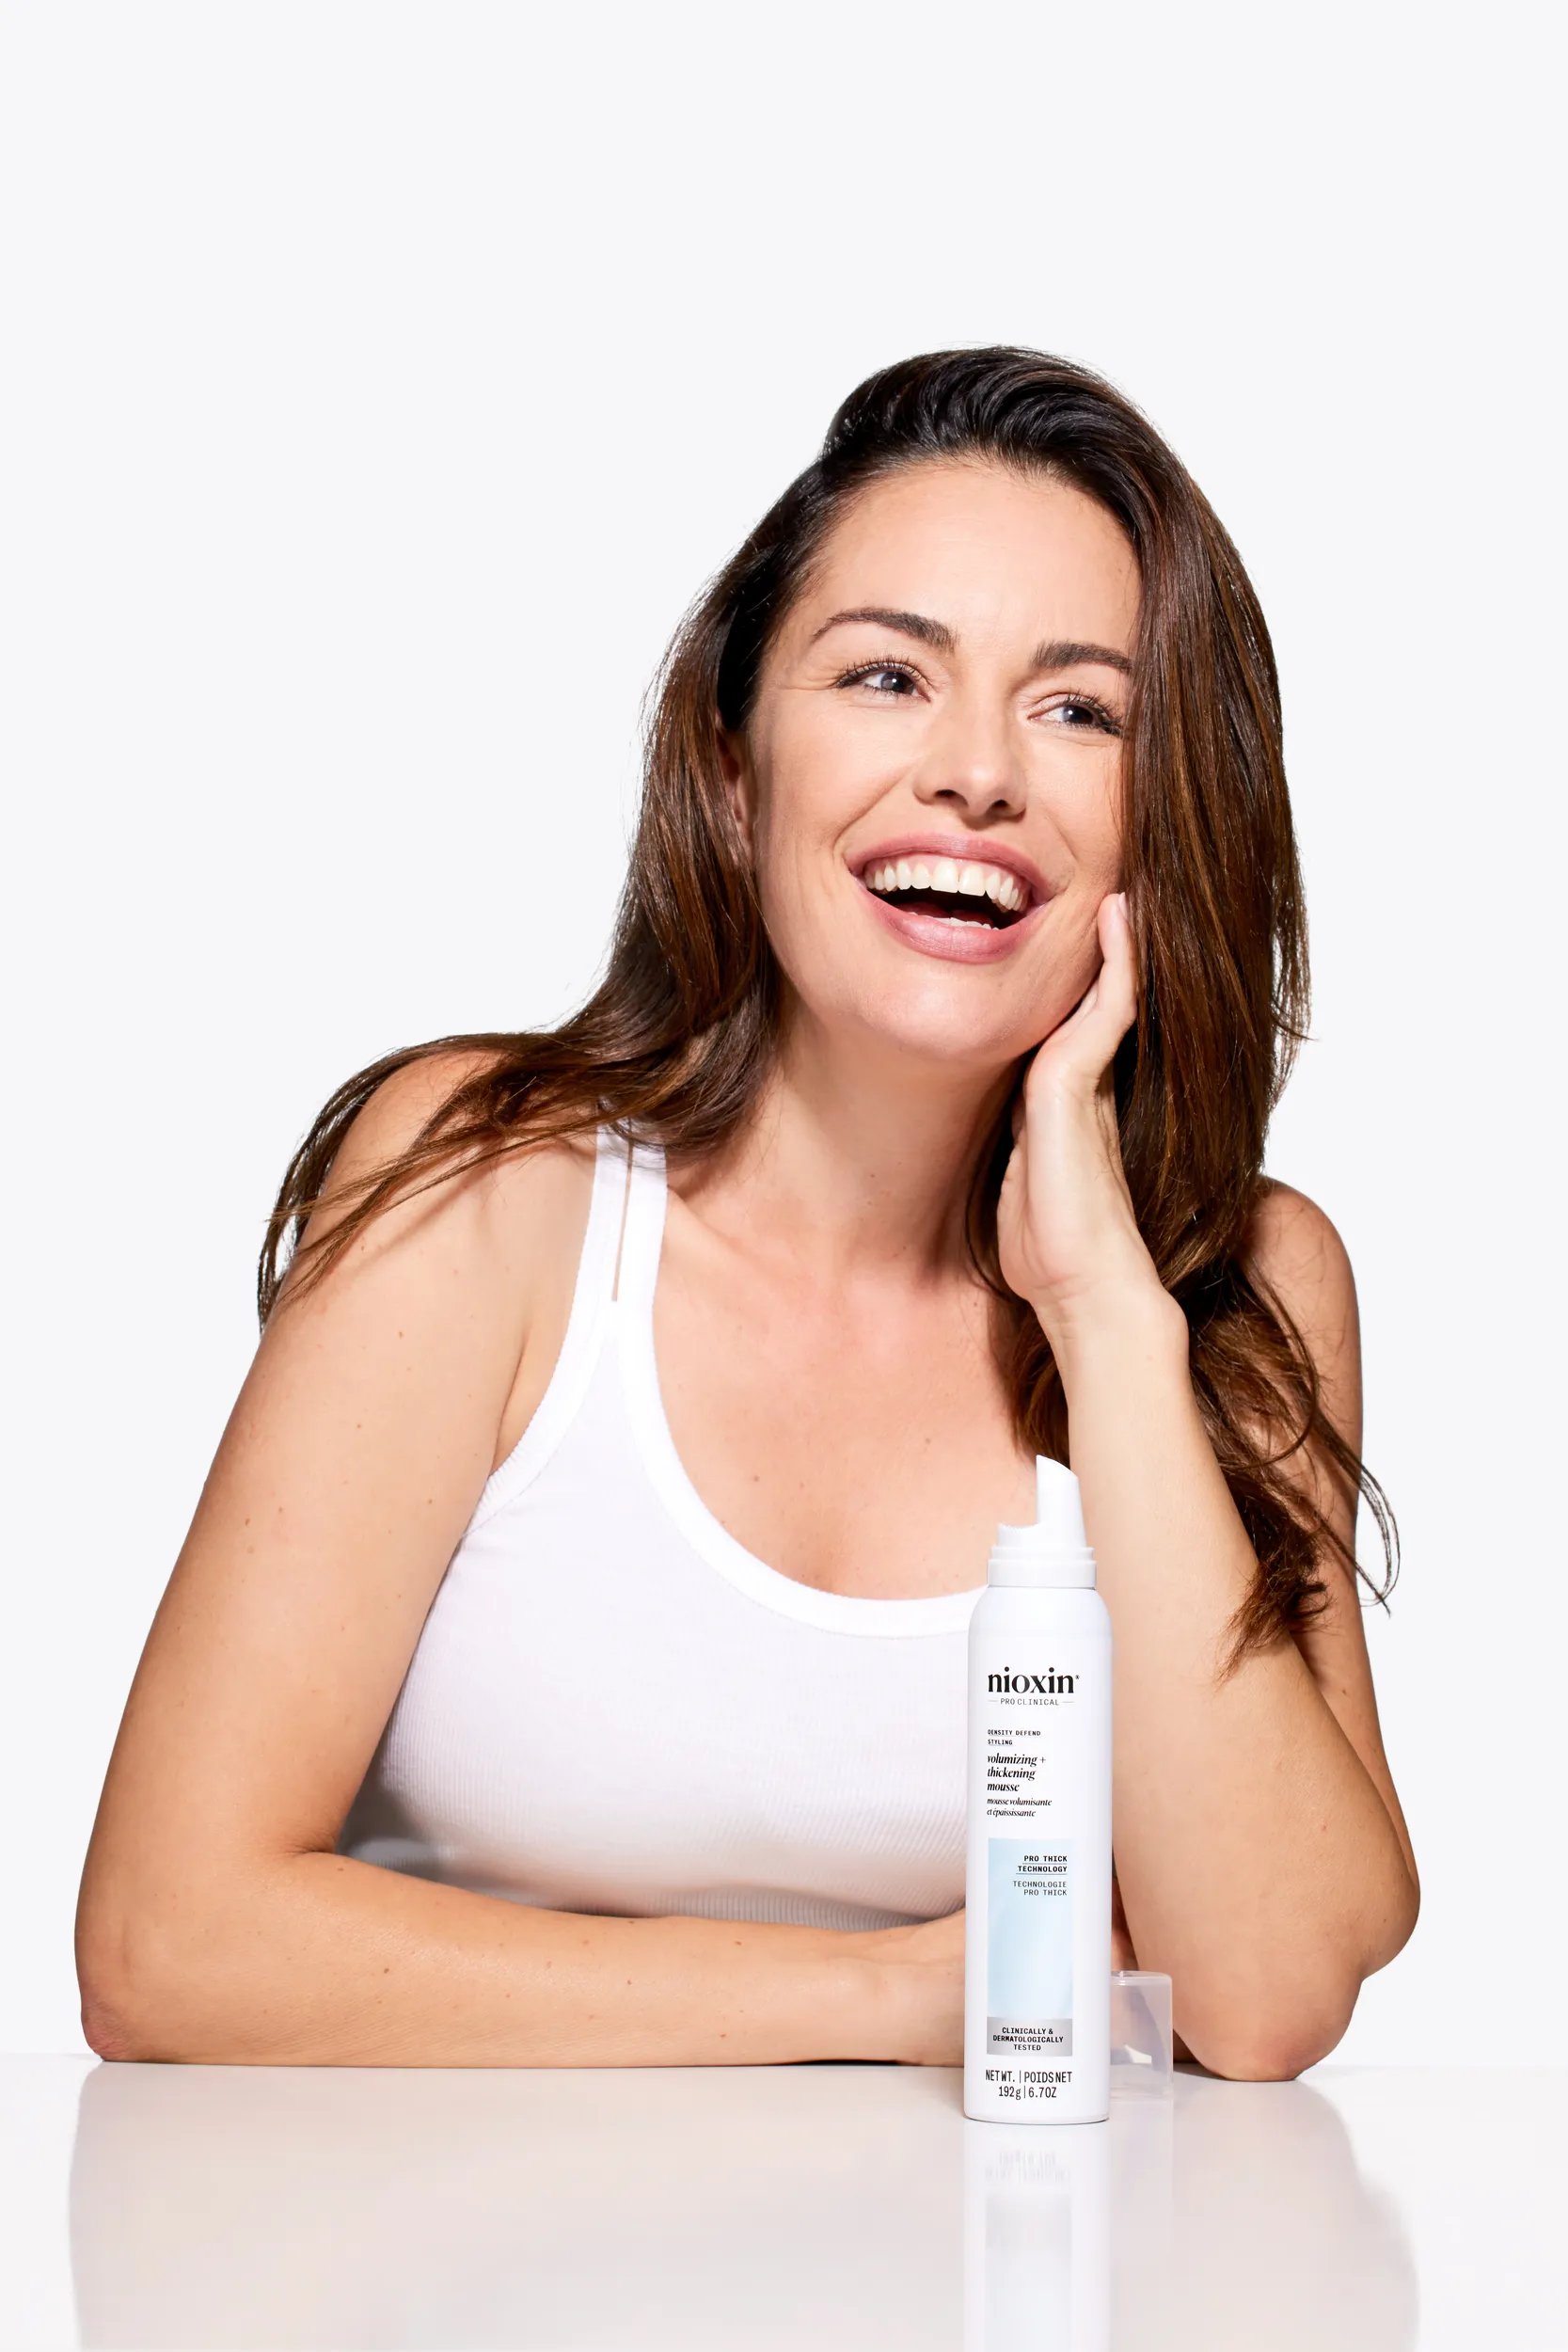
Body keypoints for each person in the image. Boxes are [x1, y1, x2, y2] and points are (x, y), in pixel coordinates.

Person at [75, 345, 1419, 2078]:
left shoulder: (1239, 1291)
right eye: (886, 676)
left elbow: (1267, 1993)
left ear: (1168, 831)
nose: (978, 775)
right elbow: (166, 1945)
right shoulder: (486, 1191)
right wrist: (898, 1995)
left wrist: (1104, 1315)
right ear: (733, 775)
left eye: (1082, 711)